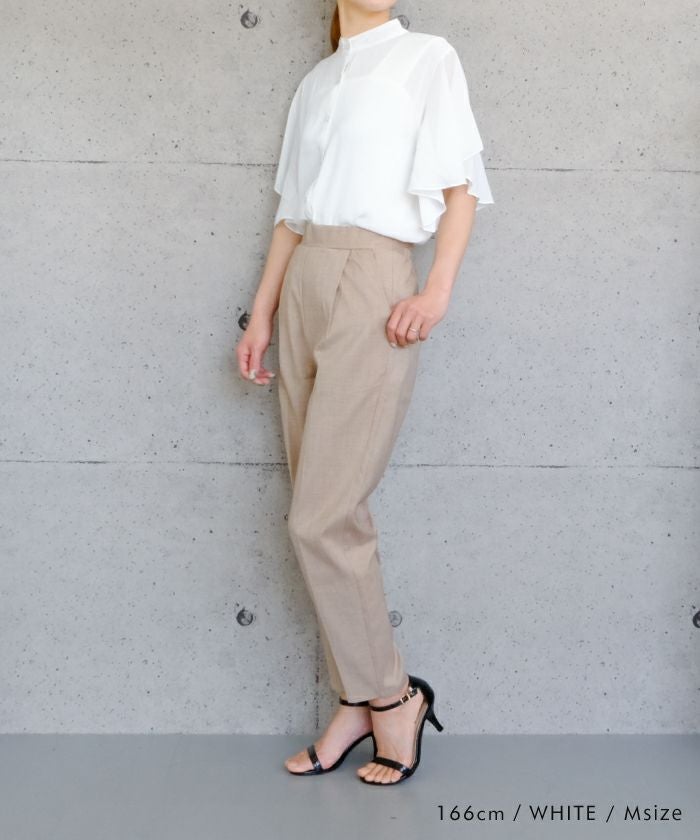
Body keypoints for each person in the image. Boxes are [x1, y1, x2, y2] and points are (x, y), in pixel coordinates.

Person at [236, 0, 494, 786]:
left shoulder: (427, 58)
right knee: (322, 514)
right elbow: (290, 215)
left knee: (322, 515)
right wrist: (262, 312)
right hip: (307, 278)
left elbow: (459, 187)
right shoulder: (316, 82)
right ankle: (356, 701)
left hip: (376, 278)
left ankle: (392, 696)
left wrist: (436, 290)